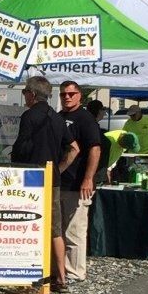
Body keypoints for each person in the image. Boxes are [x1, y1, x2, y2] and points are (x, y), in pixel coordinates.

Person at [11, 74, 70, 289]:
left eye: (25, 92)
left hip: (30, 179)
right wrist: (59, 168)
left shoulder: (29, 116)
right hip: (52, 178)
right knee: (55, 229)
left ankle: (27, 278)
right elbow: (74, 148)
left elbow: (21, 148)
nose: (25, 96)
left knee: (28, 225)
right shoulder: (58, 117)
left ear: (33, 94)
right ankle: (61, 277)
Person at [57, 82, 105, 282]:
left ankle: (75, 272)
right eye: (63, 94)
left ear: (80, 96)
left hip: (78, 183)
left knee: (74, 230)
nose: (67, 97)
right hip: (59, 182)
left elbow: (95, 149)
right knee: (59, 229)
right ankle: (60, 270)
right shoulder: (58, 117)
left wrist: (88, 178)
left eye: (71, 94)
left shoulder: (86, 119)